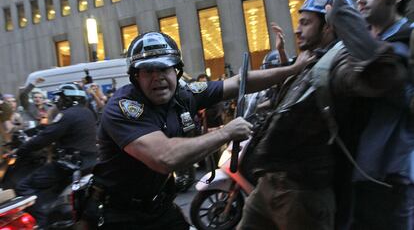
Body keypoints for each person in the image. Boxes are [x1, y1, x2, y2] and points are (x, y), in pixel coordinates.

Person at [86, 31, 313, 229]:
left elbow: (238, 83)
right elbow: (164, 157)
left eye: (164, 68)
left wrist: (292, 70)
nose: (158, 77)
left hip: (159, 207)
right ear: (136, 77)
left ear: (176, 70)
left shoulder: (185, 94)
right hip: (118, 215)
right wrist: (225, 133)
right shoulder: (124, 107)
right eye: (148, 71)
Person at [237, 0, 406, 230]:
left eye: (306, 22)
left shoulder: (340, 62)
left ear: (327, 26)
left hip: (303, 193)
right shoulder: (309, 61)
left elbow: (383, 74)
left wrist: (345, 16)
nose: (297, 29)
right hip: (268, 184)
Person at [320, 0, 414, 230]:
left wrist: (342, 12)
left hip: (392, 170)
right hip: (360, 168)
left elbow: (378, 65)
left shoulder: (407, 38)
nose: (361, 1)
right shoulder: (363, 40)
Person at [14, 83, 98, 228]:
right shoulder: (87, 112)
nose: (58, 101)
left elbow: (46, 137)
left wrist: (20, 150)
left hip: (69, 166)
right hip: (87, 163)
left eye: (61, 98)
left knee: (23, 186)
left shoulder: (67, 115)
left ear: (69, 99)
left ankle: (42, 222)